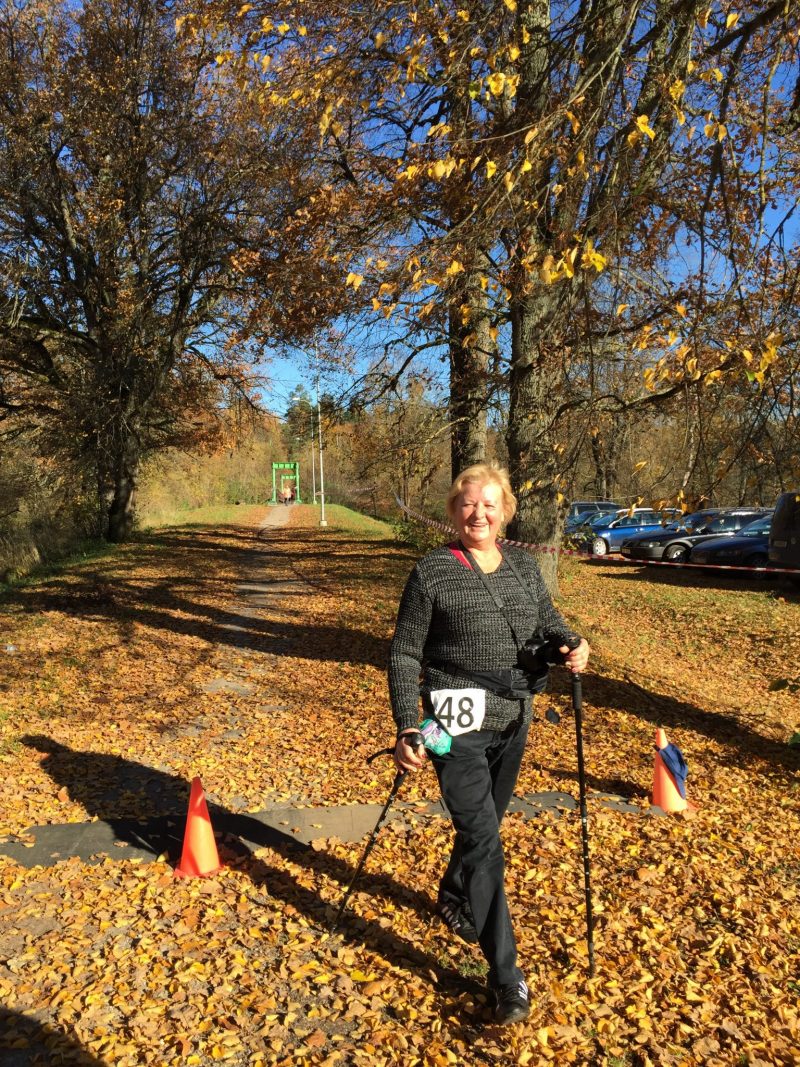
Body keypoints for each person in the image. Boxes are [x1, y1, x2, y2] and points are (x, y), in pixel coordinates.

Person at [388, 462, 590, 1025]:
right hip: (451, 726)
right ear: (454, 511)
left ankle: (454, 894)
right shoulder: (433, 572)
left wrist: (573, 645)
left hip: (513, 718)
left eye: (489, 505)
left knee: (485, 826)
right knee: (483, 839)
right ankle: (506, 976)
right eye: (468, 504)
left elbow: (547, 621)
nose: (478, 513)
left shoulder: (523, 566)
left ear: (505, 513)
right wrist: (407, 724)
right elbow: (404, 653)